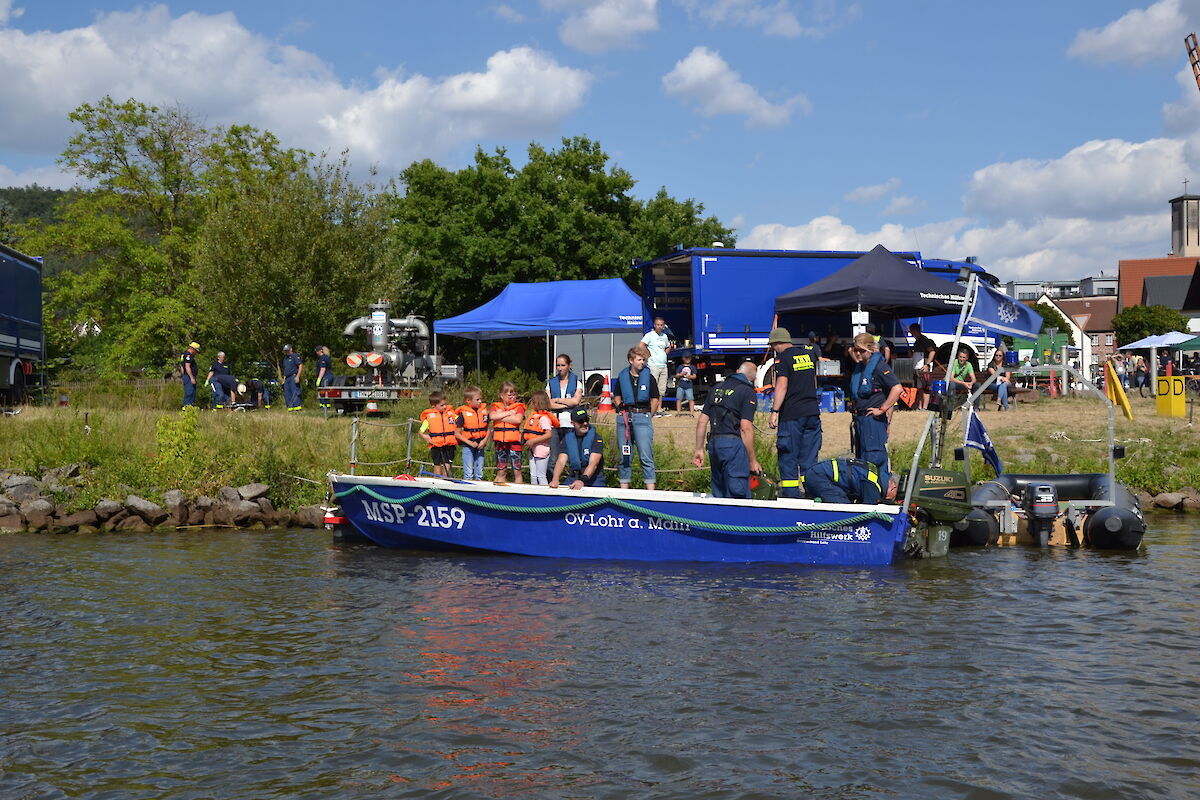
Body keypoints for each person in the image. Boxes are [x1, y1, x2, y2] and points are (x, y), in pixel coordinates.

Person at [692, 360, 761, 499]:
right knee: (738, 492)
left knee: (719, 491)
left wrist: (699, 449)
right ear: (752, 378)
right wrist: (752, 460)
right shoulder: (748, 392)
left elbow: (702, 421)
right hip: (733, 447)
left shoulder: (716, 389)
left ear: (737, 372)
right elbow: (746, 428)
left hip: (714, 446)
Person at [767, 326, 821, 499]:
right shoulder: (808, 355)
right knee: (809, 459)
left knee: (788, 457)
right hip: (812, 413)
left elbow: (782, 385)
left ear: (777, 343)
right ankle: (812, 496)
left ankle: (791, 498)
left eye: (773, 346)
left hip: (792, 415)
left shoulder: (782, 359)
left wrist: (774, 411)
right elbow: (814, 382)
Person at [848, 333, 902, 479]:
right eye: (856, 350)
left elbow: (897, 388)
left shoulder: (879, 367)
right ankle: (865, 493)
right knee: (861, 461)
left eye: (862, 350)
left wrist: (883, 409)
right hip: (860, 419)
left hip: (873, 421)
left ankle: (879, 493)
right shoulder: (861, 367)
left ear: (870, 349)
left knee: (874, 459)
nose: (858, 353)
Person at [612, 346, 658, 490]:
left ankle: (651, 492)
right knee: (625, 456)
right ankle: (624, 489)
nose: (642, 362)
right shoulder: (623, 376)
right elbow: (617, 394)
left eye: (643, 360)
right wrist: (619, 406)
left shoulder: (648, 377)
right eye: (639, 359)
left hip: (642, 417)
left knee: (646, 456)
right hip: (625, 418)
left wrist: (649, 415)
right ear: (631, 360)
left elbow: (655, 398)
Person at [546, 354, 582, 480]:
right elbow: (547, 403)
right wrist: (565, 403)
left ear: (569, 366)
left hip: (570, 424)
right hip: (555, 423)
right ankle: (552, 481)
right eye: (558, 365)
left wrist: (558, 400)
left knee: (573, 454)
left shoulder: (576, 382)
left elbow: (575, 401)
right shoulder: (551, 383)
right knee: (553, 458)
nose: (560, 368)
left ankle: (573, 481)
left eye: (563, 365)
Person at [801, 458, 898, 505]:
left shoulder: (877, 474)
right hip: (819, 477)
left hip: (817, 473)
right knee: (845, 508)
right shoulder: (873, 485)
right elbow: (868, 510)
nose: (890, 499)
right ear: (893, 487)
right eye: (894, 496)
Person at [550, 407, 606, 489]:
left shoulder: (596, 438)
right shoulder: (568, 439)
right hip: (574, 477)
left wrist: (581, 481)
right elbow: (561, 461)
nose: (585, 423)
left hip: (593, 478)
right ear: (572, 423)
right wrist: (555, 479)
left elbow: (593, 463)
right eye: (581, 421)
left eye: (586, 420)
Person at [490, 382, 526, 484]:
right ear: (502, 395)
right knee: (501, 470)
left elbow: (518, 420)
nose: (513, 397)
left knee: (517, 470)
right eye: (509, 395)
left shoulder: (519, 407)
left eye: (514, 394)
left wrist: (500, 417)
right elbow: (492, 416)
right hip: (500, 442)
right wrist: (509, 413)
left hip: (514, 442)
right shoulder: (495, 407)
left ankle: (520, 491)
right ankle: (499, 488)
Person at [522, 391, 558, 485]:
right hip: (532, 449)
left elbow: (548, 434)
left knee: (541, 475)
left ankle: (545, 495)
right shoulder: (534, 417)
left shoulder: (544, 418)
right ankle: (534, 495)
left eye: (533, 402)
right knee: (533, 475)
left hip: (541, 449)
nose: (531, 404)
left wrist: (533, 440)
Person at [419, 390, 457, 477]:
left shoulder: (451, 414)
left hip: (449, 444)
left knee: (447, 463)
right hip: (436, 444)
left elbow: (459, 422)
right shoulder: (430, 417)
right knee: (437, 464)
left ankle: (446, 480)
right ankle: (436, 481)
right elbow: (421, 431)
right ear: (433, 406)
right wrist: (425, 437)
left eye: (445, 404)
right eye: (442, 405)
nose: (445, 407)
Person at [455, 386, 489, 480]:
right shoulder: (463, 414)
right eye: (477, 399)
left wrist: (484, 441)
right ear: (468, 400)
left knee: (479, 473)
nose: (480, 401)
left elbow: (488, 429)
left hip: (480, 444)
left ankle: (479, 491)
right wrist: (469, 442)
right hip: (468, 446)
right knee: (468, 473)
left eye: (481, 399)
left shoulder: (484, 412)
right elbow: (457, 433)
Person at [640, 317, 672, 415]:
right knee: (653, 387)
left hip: (663, 365)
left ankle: (659, 409)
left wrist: (663, 354)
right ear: (654, 325)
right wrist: (648, 354)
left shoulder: (664, 336)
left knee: (661, 389)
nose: (659, 326)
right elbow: (641, 345)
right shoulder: (649, 335)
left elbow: (668, 347)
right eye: (658, 324)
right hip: (653, 365)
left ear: (663, 326)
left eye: (661, 325)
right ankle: (651, 408)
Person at [908, 323, 937, 411]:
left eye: (912, 331)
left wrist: (927, 364)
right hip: (917, 368)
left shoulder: (924, 340)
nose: (911, 333)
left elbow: (932, 351)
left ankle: (925, 407)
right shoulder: (917, 341)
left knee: (926, 388)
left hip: (923, 368)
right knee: (919, 388)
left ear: (916, 330)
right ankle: (919, 406)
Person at [282, 344, 303, 412]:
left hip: (293, 376)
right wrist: (284, 379)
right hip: (287, 378)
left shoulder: (295, 356)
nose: (286, 352)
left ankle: (297, 408)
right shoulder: (285, 359)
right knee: (287, 393)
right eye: (285, 351)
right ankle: (290, 408)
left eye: (287, 350)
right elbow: (285, 370)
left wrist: (297, 376)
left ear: (291, 349)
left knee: (295, 392)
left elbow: (300, 365)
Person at [180, 341, 200, 408]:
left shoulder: (184, 354)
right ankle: (187, 407)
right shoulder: (188, 355)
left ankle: (189, 406)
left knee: (191, 392)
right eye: (196, 351)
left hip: (187, 376)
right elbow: (187, 366)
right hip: (189, 377)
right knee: (190, 392)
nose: (196, 353)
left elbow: (182, 367)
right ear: (193, 349)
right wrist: (191, 377)